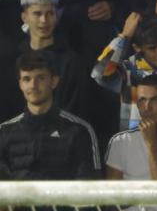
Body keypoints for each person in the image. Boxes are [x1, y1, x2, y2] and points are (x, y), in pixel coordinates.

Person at [0, 50, 102, 178]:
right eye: (27, 79)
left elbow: (90, 188)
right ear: (20, 84)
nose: (33, 85)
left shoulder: (79, 131)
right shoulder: (4, 132)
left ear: (54, 81)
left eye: (40, 78)